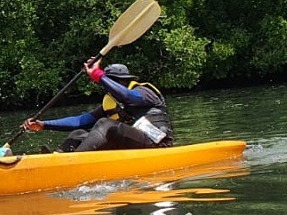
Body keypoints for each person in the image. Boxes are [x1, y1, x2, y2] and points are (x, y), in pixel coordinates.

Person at [22, 60, 174, 152]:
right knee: (79, 133)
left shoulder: (144, 91)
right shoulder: (111, 102)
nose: (108, 87)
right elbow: (80, 121)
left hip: (158, 145)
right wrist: (43, 124)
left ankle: (76, 161)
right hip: (135, 145)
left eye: (111, 82)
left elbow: (128, 97)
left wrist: (98, 75)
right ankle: (58, 158)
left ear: (123, 81)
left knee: (105, 124)